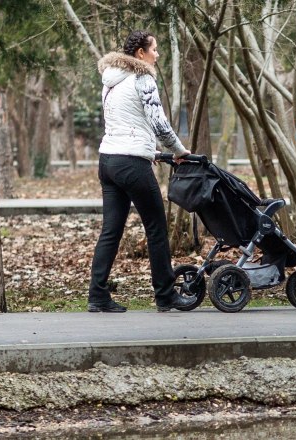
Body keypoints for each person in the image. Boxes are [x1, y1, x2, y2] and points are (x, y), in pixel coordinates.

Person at [87, 30, 196, 313]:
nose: (157, 55)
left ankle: (97, 296)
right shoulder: (143, 78)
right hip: (131, 164)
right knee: (157, 228)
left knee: (110, 231)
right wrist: (180, 151)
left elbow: (125, 124)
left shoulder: (110, 81)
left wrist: (155, 153)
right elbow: (159, 124)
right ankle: (165, 295)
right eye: (154, 49)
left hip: (108, 161)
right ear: (140, 54)